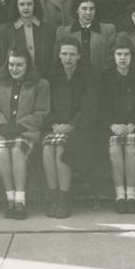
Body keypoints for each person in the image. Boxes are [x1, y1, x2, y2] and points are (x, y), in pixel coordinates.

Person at [98, 33, 135, 213]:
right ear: (113, 56)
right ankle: (119, 194)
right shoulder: (104, 77)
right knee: (115, 147)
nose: (123, 58)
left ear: (132, 56)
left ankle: (131, 194)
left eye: (126, 54)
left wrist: (134, 124)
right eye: (119, 54)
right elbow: (100, 105)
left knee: (131, 146)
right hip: (111, 128)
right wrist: (111, 125)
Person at [0, 48, 51, 220]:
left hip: (26, 132)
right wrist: (2, 124)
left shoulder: (40, 85)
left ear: (27, 65)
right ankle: (10, 199)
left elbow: (42, 112)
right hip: (3, 131)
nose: (14, 69)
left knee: (17, 150)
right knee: (3, 151)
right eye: (11, 64)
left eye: (19, 65)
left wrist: (20, 125)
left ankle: (20, 200)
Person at [42, 37, 97, 218]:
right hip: (56, 126)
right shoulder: (52, 78)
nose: (68, 58)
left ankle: (64, 200)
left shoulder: (88, 77)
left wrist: (72, 125)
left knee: (61, 149)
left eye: (72, 54)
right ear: (59, 55)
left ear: (79, 56)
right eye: (64, 54)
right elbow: (46, 104)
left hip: (80, 129)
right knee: (48, 148)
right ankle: (54, 197)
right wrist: (54, 124)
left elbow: (90, 106)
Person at [0, 0, 56, 78]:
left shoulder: (47, 29)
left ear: (35, 5)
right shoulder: (5, 30)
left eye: (29, 4)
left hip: (42, 79)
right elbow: (2, 60)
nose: (26, 8)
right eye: (21, 4)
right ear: (16, 6)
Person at [54, 0, 116, 73]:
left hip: (99, 79)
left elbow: (110, 60)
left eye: (92, 9)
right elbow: (56, 62)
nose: (88, 12)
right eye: (84, 8)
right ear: (77, 10)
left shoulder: (107, 30)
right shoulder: (63, 32)